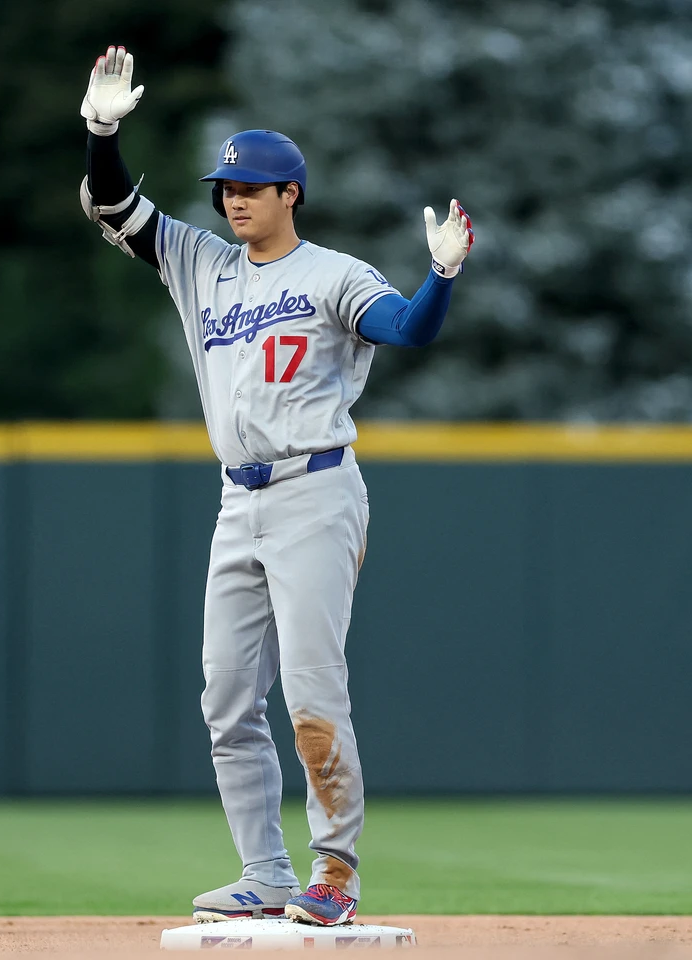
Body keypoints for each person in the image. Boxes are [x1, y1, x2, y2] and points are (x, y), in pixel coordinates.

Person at [78, 47, 475, 927]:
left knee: (310, 692)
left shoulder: (334, 274)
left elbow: (407, 329)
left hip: (315, 491)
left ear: (290, 194)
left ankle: (335, 872)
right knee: (225, 699)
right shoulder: (199, 261)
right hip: (238, 499)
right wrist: (102, 133)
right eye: (226, 188)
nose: (234, 200)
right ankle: (263, 872)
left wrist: (442, 276)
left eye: (251, 188)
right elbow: (113, 207)